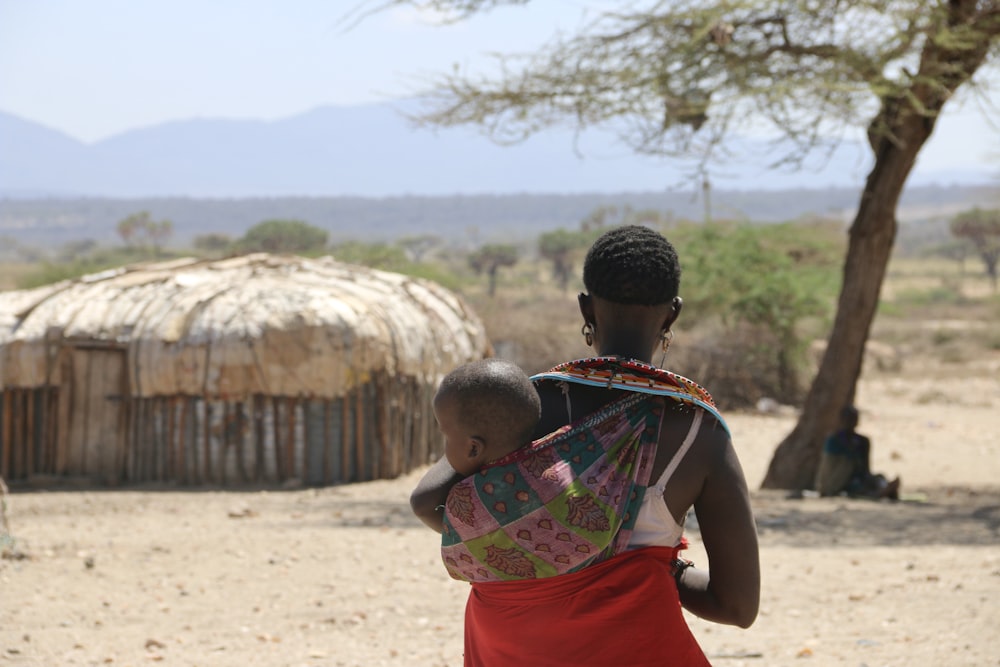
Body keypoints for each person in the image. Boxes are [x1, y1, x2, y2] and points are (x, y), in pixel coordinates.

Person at [412, 225, 760, 666]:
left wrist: (522, 544)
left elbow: (429, 500)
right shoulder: (697, 431)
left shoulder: (522, 404)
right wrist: (663, 566)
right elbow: (736, 606)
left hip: (508, 647)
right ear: (671, 316)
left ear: (585, 306)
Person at [433, 357, 541, 478]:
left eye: (446, 437)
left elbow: (422, 496)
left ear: (474, 449)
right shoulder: (548, 465)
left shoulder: (467, 495)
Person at [815, 405, 900, 499]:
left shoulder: (862, 441)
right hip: (842, 481)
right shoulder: (834, 440)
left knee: (878, 479)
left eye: (853, 419)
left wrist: (867, 477)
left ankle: (885, 489)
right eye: (848, 419)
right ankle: (879, 493)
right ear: (841, 420)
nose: (850, 422)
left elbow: (865, 467)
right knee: (857, 487)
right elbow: (829, 468)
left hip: (860, 477)